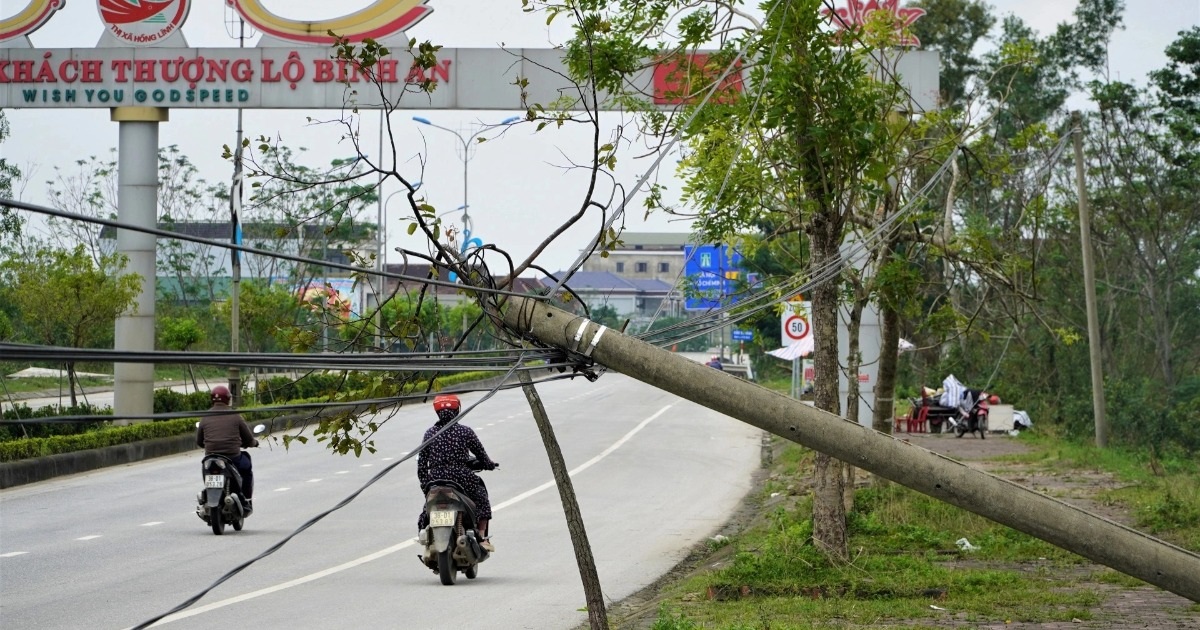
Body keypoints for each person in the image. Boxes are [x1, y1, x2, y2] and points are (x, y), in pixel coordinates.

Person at [417, 394, 498, 552]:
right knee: (481, 497)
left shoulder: (428, 434)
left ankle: (425, 537)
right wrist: (489, 465)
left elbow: (421, 466)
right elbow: (482, 456)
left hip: (435, 480)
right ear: (457, 410)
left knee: (426, 508)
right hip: (461, 477)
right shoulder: (465, 432)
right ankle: (482, 537)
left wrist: (425, 486)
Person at [196, 385, 258, 510]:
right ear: (228, 399)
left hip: (210, 458)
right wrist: (254, 443)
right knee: (246, 468)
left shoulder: (205, 417)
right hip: (232, 458)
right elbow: (248, 438)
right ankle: (246, 499)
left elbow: (199, 441)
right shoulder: (235, 415)